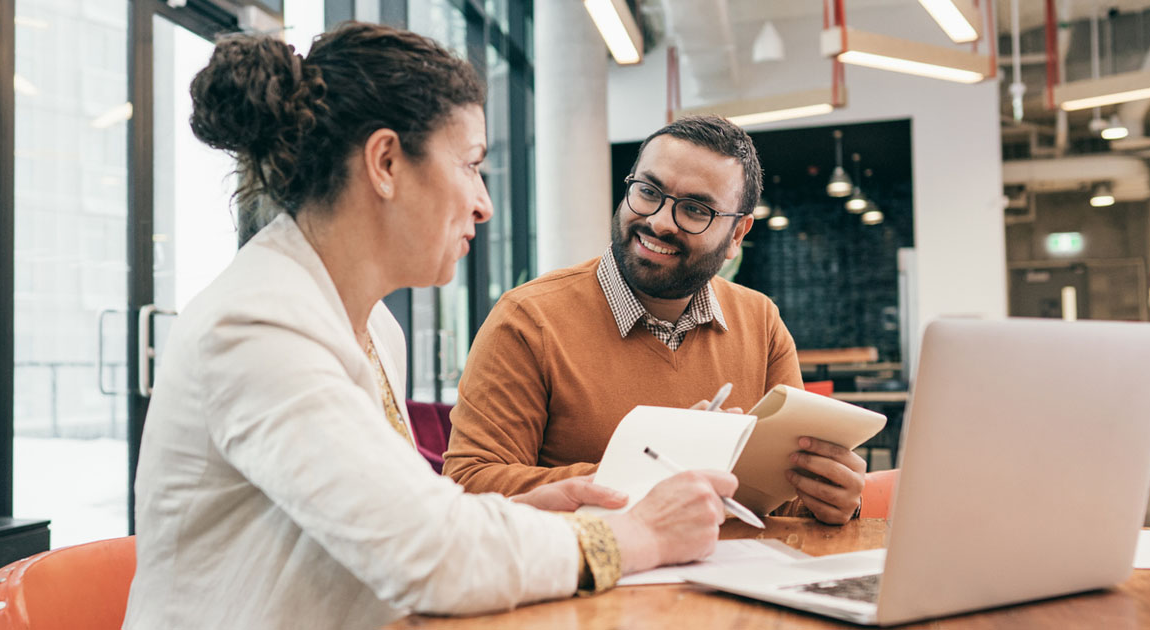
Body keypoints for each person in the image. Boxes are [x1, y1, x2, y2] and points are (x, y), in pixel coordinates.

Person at [123, 23, 739, 629]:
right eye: (471, 165)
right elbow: (427, 556)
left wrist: (533, 515)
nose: (484, 203)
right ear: (386, 161)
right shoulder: (257, 325)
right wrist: (632, 534)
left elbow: (390, 520)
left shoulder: (370, 326)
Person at [442, 115, 867, 525]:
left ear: (737, 235)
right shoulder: (527, 320)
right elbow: (469, 486)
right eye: (648, 191)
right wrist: (653, 468)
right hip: (598, 588)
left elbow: (780, 502)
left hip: (737, 583)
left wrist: (830, 498)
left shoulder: (761, 322)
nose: (659, 221)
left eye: (696, 210)